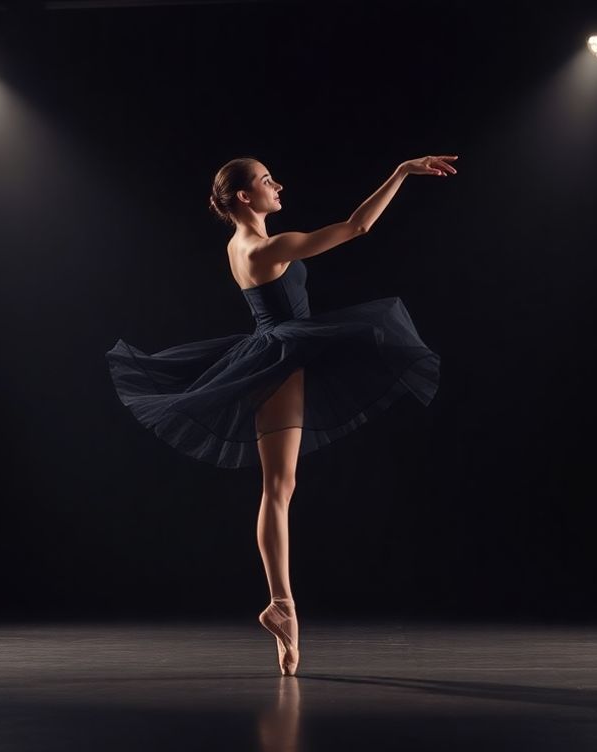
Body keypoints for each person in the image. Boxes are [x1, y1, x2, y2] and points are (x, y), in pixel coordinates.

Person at [105, 155, 456, 675]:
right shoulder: (270, 247)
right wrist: (402, 172)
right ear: (245, 197)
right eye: (268, 180)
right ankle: (282, 604)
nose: (279, 185)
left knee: (279, 488)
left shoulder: (238, 246)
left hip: (271, 354)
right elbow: (357, 227)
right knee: (278, 489)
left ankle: (284, 611)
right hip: (281, 358)